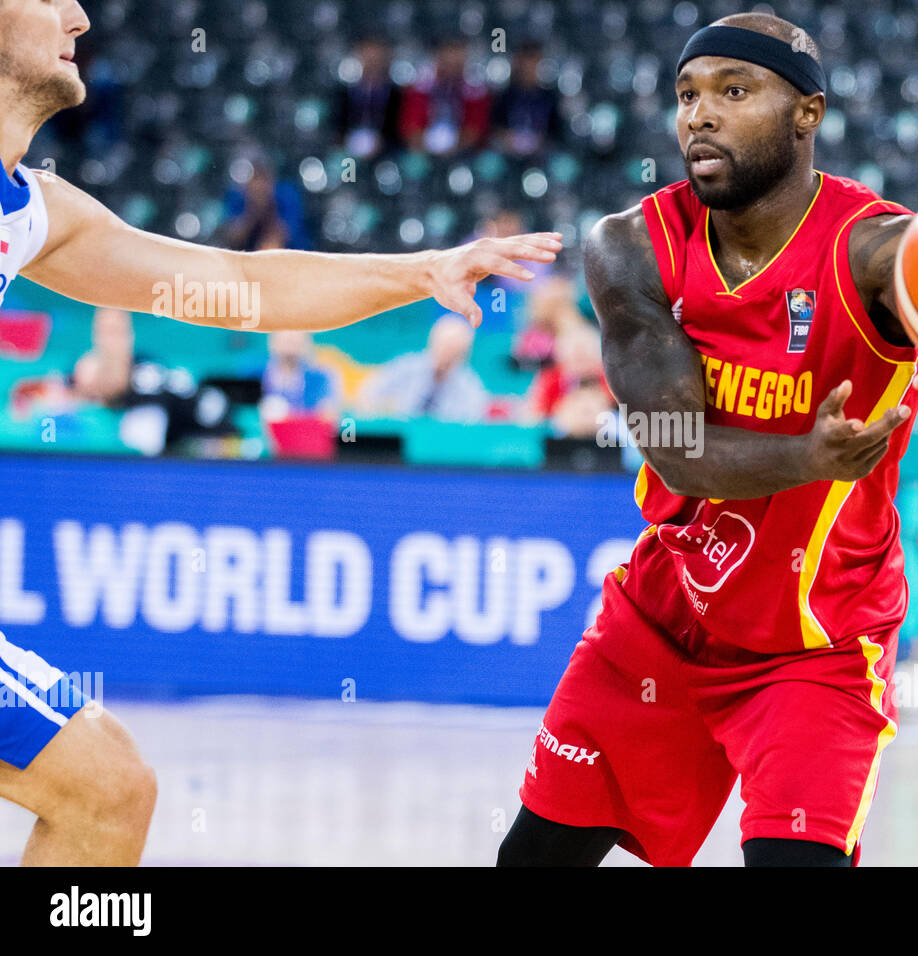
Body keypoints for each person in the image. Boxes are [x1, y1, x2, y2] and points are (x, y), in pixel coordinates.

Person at [0, 0, 560, 865]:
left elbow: (236, 285)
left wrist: (424, 269)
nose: (78, 14)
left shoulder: (32, 211)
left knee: (109, 793)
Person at [496, 13, 918, 868]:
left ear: (806, 114)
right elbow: (674, 445)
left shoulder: (876, 251)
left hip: (819, 637)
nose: (699, 115)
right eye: (688, 95)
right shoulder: (630, 246)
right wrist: (810, 459)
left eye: (733, 92)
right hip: (667, 616)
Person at [356, 314, 489, 421]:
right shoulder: (405, 367)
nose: (447, 355)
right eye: (444, 346)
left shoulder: (470, 386)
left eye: (454, 351)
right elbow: (368, 394)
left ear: (464, 353)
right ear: (432, 341)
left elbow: (473, 419)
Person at [399, 37, 492, 156]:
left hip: (464, 153)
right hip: (424, 151)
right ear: (438, 58)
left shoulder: (475, 89)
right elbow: (410, 128)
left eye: (457, 60)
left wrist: (454, 147)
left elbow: (476, 130)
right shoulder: (420, 86)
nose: (452, 63)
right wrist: (430, 145)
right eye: (448, 58)